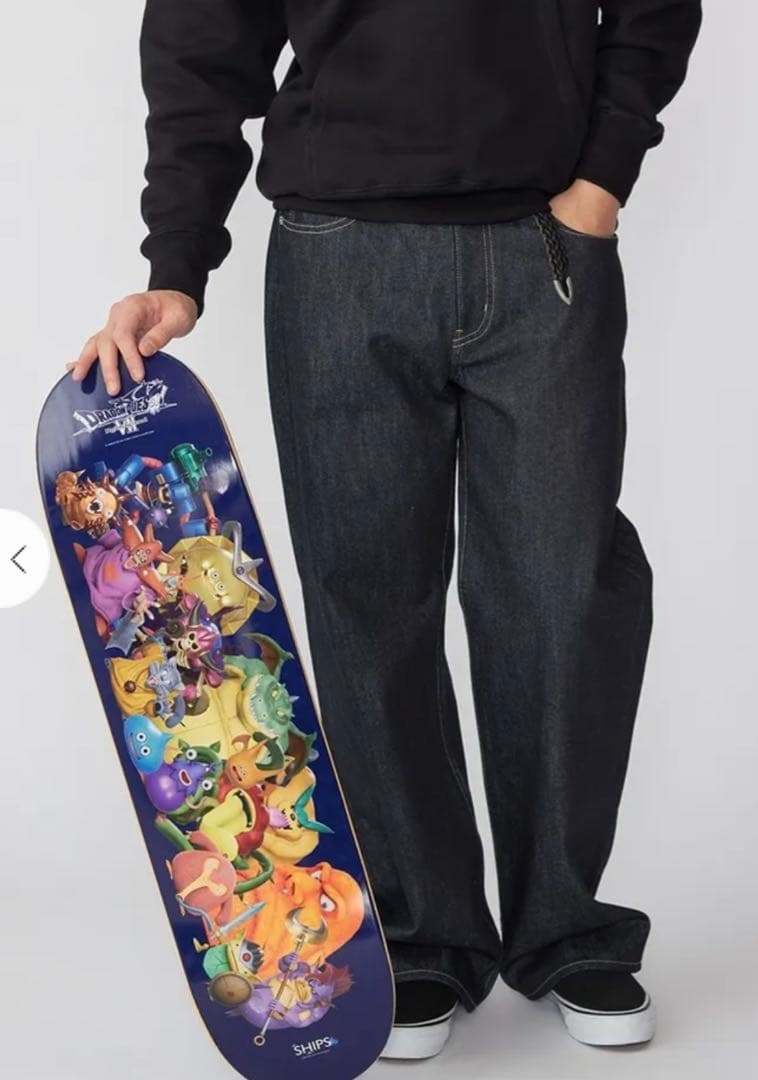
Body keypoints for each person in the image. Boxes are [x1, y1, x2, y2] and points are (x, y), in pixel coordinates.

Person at [72, 0, 702, 1061]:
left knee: (564, 591)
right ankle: (420, 934)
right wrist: (176, 264)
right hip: (338, 252)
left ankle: (563, 927)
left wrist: (601, 180)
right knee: (365, 602)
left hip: (543, 244)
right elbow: (199, 37)